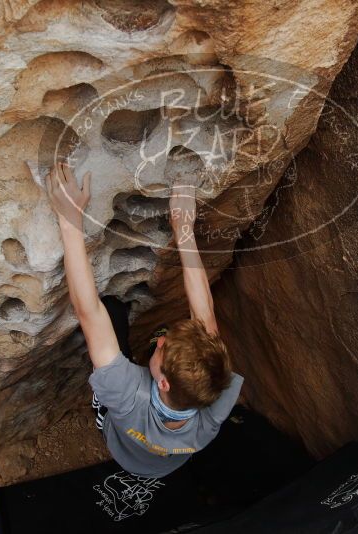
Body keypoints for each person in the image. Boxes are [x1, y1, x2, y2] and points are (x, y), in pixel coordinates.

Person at [44, 162, 244, 478]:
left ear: (162, 382)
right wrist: (185, 231)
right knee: (161, 339)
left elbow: (89, 312)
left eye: (162, 349)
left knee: (110, 312)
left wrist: (70, 219)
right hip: (169, 461)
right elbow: (208, 323)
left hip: (123, 443)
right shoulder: (215, 398)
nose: (163, 341)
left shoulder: (124, 394)